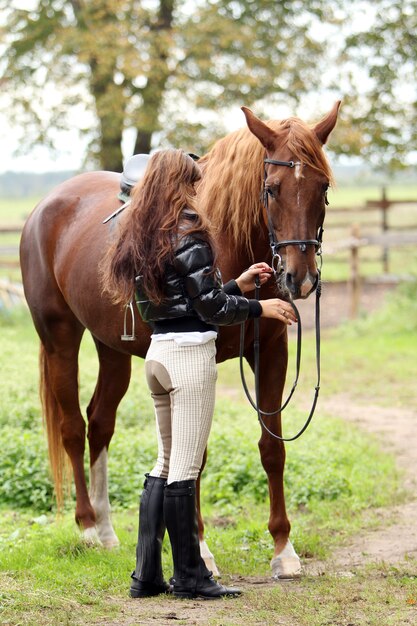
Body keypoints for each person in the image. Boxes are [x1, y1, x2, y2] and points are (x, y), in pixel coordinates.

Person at [101, 148, 296, 600]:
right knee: (185, 470)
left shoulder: (141, 233)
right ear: (178, 186)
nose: (197, 193)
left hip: (158, 355)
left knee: (163, 464)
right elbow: (209, 309)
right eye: (192, 185)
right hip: (190, 359)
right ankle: (190, 577)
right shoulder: (190, 232)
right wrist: (260, 306)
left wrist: (238, 282)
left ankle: (146, 574)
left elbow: (185, 300)